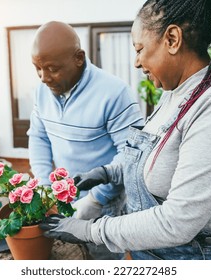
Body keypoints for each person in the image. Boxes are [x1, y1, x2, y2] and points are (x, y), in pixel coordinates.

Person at [39, 0, 211, 260]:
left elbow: (178, 222)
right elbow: (158, 161)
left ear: (173, 39)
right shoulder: (176, 93)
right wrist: (108, 173)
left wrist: (90, 230)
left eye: (139, 49)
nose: (136, 63)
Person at [27, 21, 144, 259]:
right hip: (63, 199)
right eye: (37, 68)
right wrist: (44, 185)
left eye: (52, 68)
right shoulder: (41, 92)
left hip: (104, 205)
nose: (43, 77)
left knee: (102, 261)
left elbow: (133, 155)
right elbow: (39, 136)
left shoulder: (115, 93)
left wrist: (96, 199)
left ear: (79, 58)